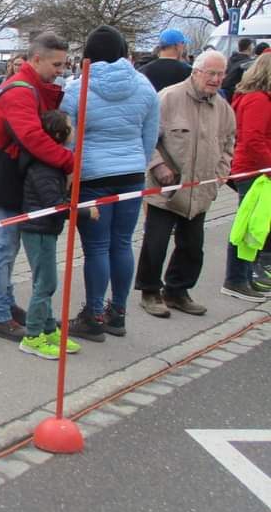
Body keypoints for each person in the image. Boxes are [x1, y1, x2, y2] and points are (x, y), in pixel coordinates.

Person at [63, 25, 159, 341]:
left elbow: (68, 140)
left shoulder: (79, 89)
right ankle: (118, 313)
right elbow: (149, 137)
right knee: (122, 244)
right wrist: (137, 166)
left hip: (92, 176)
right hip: (131, 174)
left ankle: (93, 315)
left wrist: (68, 176)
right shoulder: (145, 86)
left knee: (97, 248)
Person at [0, 33, 74, 342]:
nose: (61, 70)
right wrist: (70, 162)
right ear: (36, 59)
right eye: (56, 64)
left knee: (8, 246)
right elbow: (33, 138)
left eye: (64, 64)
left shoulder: (32, 88)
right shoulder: (20, 92)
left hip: (15, 176)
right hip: (7, 178)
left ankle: (5, 306)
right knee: (3, 247)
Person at [135, 50, 234, 315]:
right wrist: (158, 166)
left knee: (192, 246)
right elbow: (146, 137)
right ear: (196, 71)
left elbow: (228, 144)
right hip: (165, 189)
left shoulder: (222, 107)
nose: (215, 79)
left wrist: (220, 176)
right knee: (155, 243)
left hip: (201, 190)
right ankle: (150, 292)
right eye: (210, 73)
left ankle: (177, 291)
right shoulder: (169, 97)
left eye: (220, 74)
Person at [16, 110, 93, 359]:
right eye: (70, 127)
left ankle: (49, 330)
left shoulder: (53, 163)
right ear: (60, 134)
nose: (73, 132)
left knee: (46, 282)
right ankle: (33, 336)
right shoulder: (44, 167)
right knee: (46, 283)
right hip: (38, 230)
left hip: (45, 229)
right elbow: (54, 204)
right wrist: (83, 212)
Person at [223, 52, 271, 299]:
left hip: (256, 169)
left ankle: (244, 276)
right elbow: (253, 139)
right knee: (246, 227)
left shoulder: (258, 98)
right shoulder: (258, 100)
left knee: (252, 225)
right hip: (254, 170)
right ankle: (236, 278)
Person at [221, 37, 255, 102]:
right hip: (236, 94)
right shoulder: (248, 63)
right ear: (249, 47)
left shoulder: (230, 59)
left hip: (224, 93)